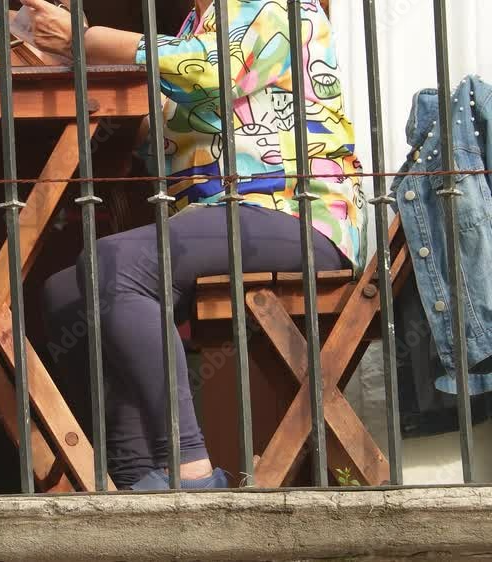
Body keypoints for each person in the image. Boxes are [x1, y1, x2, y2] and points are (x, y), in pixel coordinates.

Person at [27, 0, 366, 488]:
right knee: (65, 293)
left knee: (117, 264)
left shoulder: (276, 8)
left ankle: (189, 470)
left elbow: (211, 70)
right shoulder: (198, 25)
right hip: (223, 218)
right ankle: (138, 477)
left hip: (298, 214)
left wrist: (85, 41)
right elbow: (166, 130)